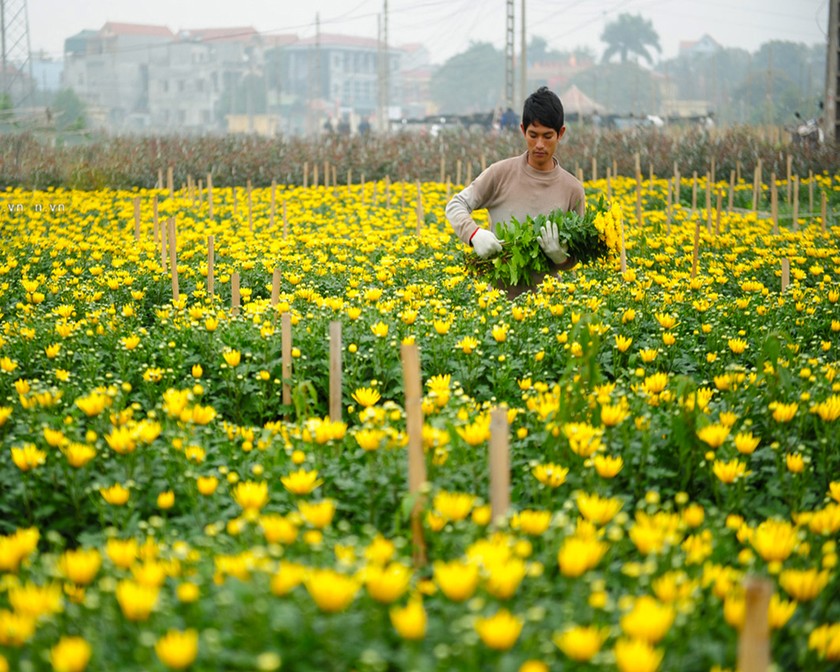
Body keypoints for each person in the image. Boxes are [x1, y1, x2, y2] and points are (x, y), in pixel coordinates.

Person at [445, 86, 585, 297]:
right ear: (522, 130)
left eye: (547, 136)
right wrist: (473, 234)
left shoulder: (572, 190)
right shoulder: (500, 173)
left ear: (561, 133)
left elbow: (575, 256)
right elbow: (455, 205)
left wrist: (560, 258)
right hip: (497, 305)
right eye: (533, 135)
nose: (539, 144)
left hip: (549, 310)